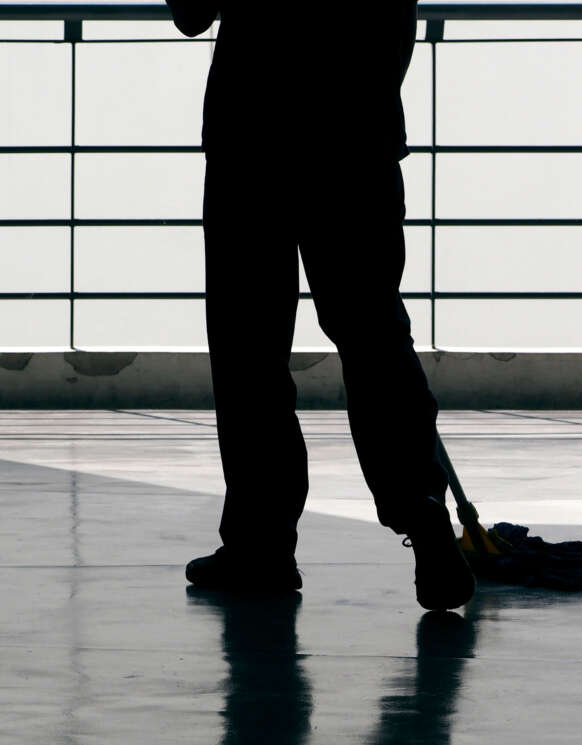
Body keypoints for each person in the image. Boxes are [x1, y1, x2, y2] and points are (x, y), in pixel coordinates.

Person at [166, 1, 475, 611]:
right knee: (374, 333)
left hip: (252, 139)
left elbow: (190, 9)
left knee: (250, 346)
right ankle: (422, 506)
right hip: (358, 139)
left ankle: (261, 542)